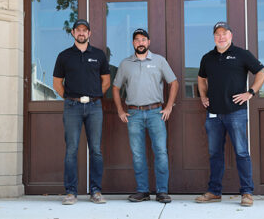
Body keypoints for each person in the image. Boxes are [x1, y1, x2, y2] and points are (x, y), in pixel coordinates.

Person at [196, 22, 264, 207]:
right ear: (214, 37)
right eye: (218, 34)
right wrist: (203, 96)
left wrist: (250, 92)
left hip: (236, 112)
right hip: (213, 114)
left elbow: (262, 72)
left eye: (224, 33)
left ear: (231, 35)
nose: (221, 37)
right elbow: (201, 78)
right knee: (215, 154)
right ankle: (214, 191)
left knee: (242, 152)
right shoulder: (207, 58)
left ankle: (246, 192)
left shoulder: (241, 54)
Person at [112, 28, 179, 203]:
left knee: (161, 152)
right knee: (138, 154)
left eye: (143, 39)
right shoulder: (125, 64)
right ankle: (142, 191)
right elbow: (115, 87)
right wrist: (120, 110)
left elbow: (174, 83)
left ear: (148, 42)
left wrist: (169, 107)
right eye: (137, 40)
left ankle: (162, 191)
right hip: (133, 114)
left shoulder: (159, 61)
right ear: (133, 43)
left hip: (156, 113)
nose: (140, 42)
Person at [53, 19, 110, 205]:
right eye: (78, 30)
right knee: (71, 150)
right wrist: (71, 98)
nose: (81, 33)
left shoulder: (99, 55)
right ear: (73, 32)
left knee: (96, 150)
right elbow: (57, 84)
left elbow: (106, 81)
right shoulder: (64, 56)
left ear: (89, 33)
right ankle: (71, 192)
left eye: (85, 30)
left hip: (94, 107)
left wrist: (95, 96)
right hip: (72, 107)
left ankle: (96, 191)